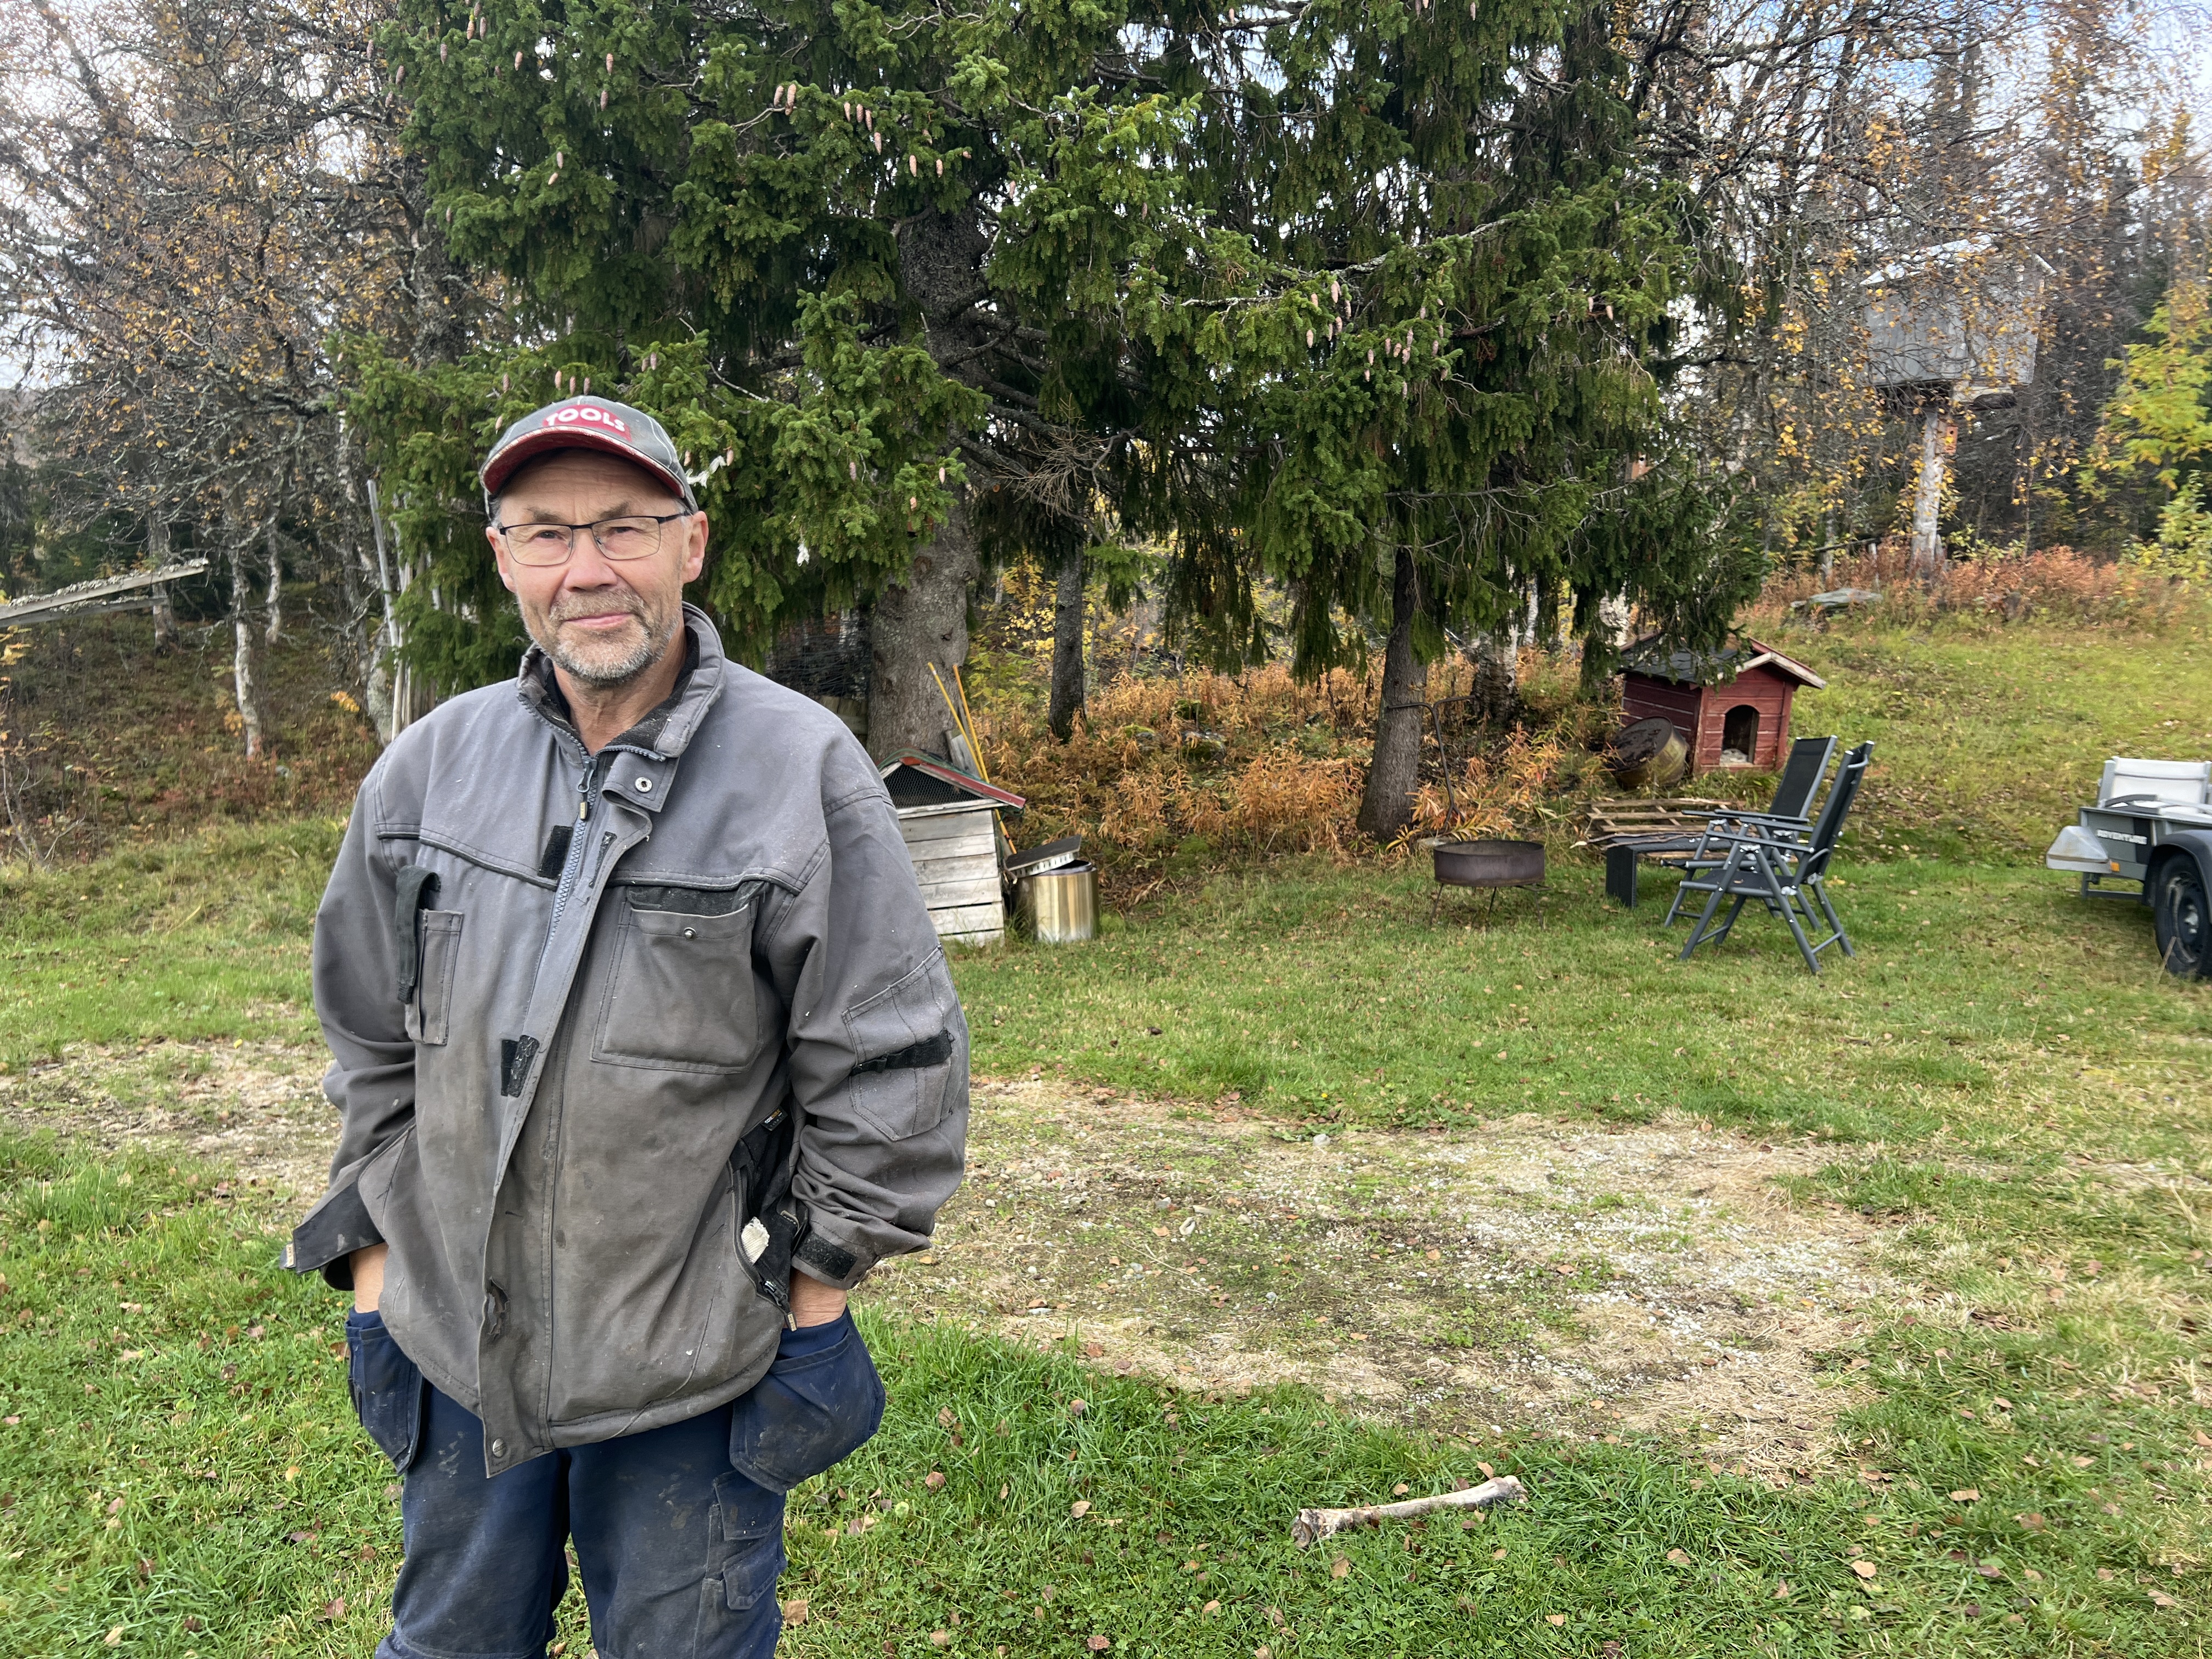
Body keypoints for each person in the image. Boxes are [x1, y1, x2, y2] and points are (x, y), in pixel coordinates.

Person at [287, 394, 969, 1659]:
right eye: (546, 533)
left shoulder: (799, 769)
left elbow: (892, 1067)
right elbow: (368, 1034)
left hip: (686, 1379)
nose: (587, 570)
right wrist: (379, 1271)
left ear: (690, 545)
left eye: (624, 527)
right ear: (503, 557)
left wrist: (813, 1292)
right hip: (452, 1355)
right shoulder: (430, 769)